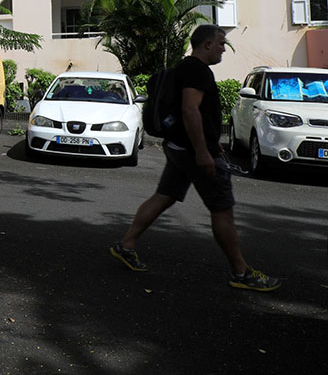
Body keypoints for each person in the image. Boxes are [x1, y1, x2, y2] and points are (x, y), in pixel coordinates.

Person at [109, 24, 280, 291]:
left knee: (164, 195)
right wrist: (203, 152)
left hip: (178, 148)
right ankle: (241, 273)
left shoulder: (184, 68)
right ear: (207, 44)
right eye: (221, 43)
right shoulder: (197, 71)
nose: (224, 47)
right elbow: (190, 111)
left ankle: (126, 244)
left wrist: (212, 144)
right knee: (222, 209)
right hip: (193, 152)